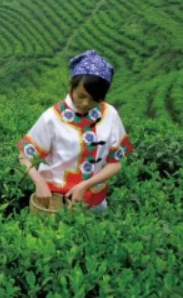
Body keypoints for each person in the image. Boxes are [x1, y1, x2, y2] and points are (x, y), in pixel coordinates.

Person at [17, 50, 134, 212]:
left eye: (95, 99)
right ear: (71, 85)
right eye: (81, 95)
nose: (85, 103)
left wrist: (85, 185)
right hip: (55, 202)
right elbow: (24, 156)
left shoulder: (110, 114)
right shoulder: (52, 117)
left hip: (95, 200)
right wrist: (40, 184)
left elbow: (115, 163)